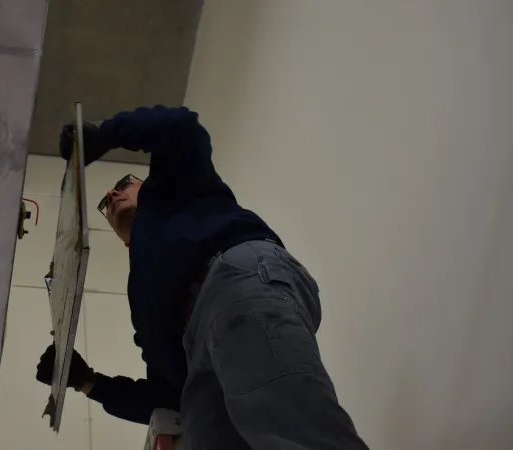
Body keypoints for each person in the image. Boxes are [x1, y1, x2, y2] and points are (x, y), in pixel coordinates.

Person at [36, 106, 368, 449]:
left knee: (294, 430)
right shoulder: (145, 290)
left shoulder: (174, 190)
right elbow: (170, 397)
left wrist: (104, 135)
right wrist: (89, 382)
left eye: (123, 186)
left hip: (232, 277)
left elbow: (179, 126)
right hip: (201, 344)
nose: (114, 196)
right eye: (106, 203)